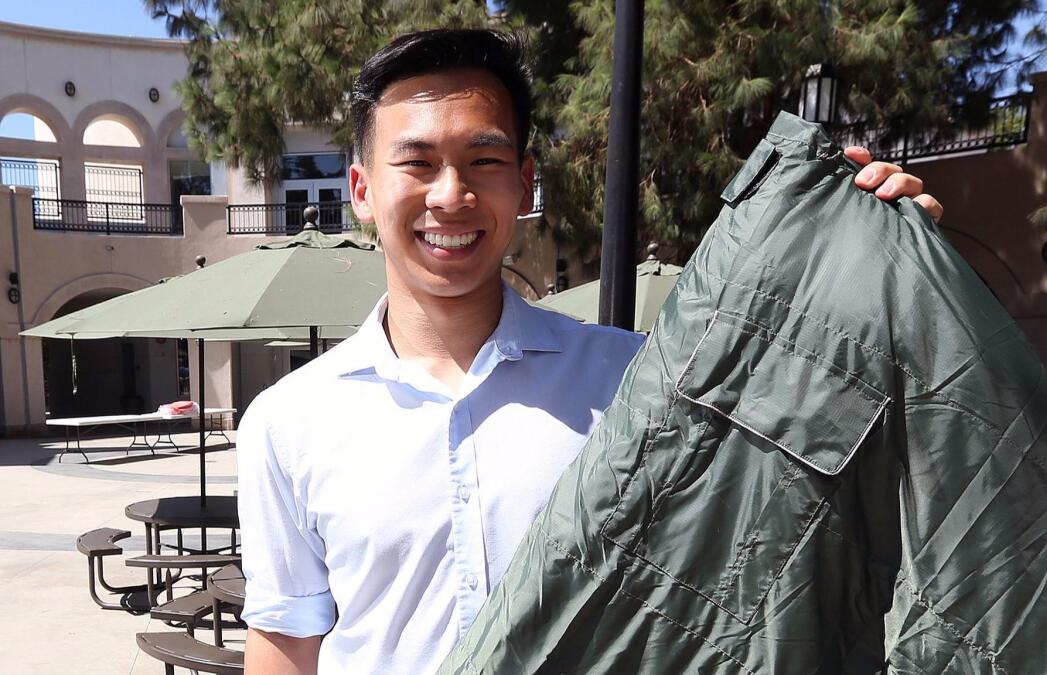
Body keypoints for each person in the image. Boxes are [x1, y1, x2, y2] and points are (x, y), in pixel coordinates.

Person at [237, 28, 945, 674]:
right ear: (361, 190)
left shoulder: (636, 379)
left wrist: (877, 255)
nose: (450, 195)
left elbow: (798, 473)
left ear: (523, 183)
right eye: (417, 162)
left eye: (484, 160)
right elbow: (286, 639)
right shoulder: (288, 421)